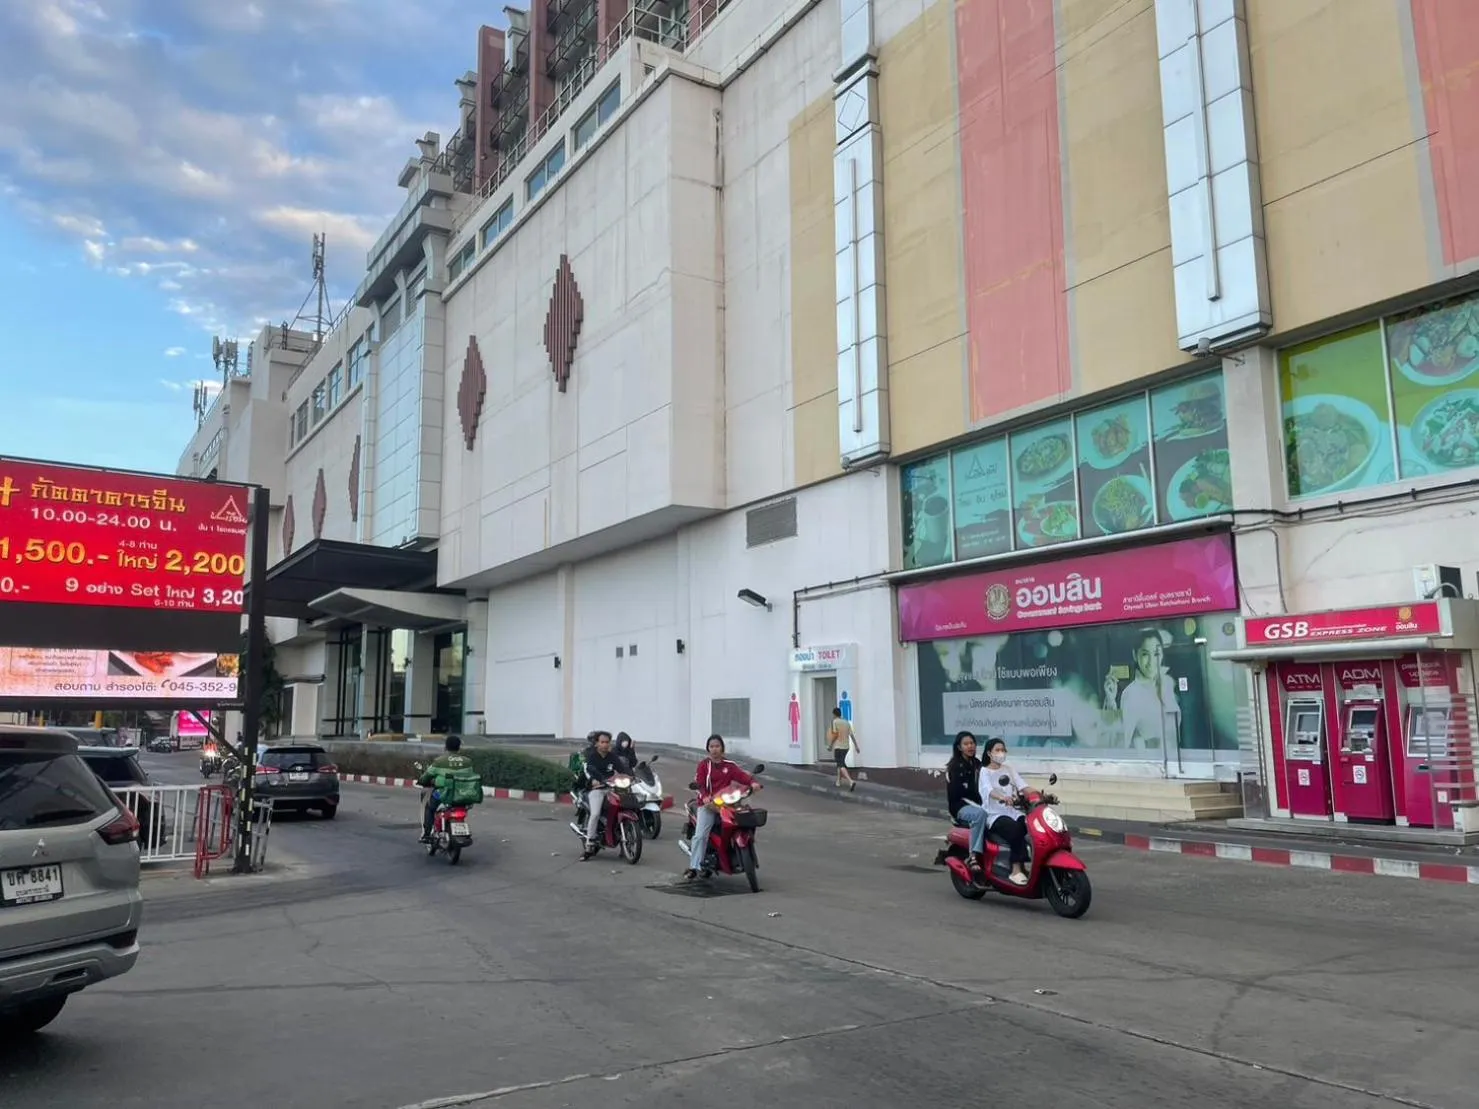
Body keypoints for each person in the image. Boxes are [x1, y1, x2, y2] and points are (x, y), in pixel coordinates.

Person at [682, 734, 760, 880]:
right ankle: (694, 866)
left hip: (727, 803)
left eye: (717, 746)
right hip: (709, 805)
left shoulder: (729, 765)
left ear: (722, 748)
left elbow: (742, 776)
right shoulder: (704, 765)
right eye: (711, 746)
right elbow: (699, 783)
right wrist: (705, 796)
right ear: (708, 749)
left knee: (743, 820)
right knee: (700, 836)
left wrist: (753, 783)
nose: (714, 749)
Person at [980, 737, 1029, 885]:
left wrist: (1039, 795)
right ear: (989, 753)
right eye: (997, 750)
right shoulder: (985, 771)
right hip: (994, 814)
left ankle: (1026, 864)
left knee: (1029, 825)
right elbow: (988, 790)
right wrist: (1002, 797)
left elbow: (1022, 784)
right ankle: (1015, 869)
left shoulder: (1008, 767)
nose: (1001, 753)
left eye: (1003, 750)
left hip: (1012, 811)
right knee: (1015, 830)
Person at [944, 730, 988, 882]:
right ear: (959, 747)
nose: (970, 746)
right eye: (966, 744)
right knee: (980, 815)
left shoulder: (978, 765)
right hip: (961, 807)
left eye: (972, 743)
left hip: (979, 804)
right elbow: (959, 793)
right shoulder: (954, 767)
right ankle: (973, 855)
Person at [416, 735, 474, 843]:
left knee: (429, 807)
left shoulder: (439, 761)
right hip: (463, 795)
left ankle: (427, 834)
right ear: (459, 747)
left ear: (445, 747)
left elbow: (427, 775)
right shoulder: (467, 761)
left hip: (443, 793)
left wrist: (422, 781)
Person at [579, 732, 621, 860]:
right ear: (597, 743)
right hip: (597, 789)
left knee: (625, 807)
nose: (605, 744)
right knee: (595, 814)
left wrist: (632, 777)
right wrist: (593, 780)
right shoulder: (592, 757)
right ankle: (589, 844)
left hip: (611, 788)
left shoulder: (613, 756)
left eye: (607, 742)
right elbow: (588, 770)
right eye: (602, 742)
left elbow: (623, 769)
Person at [827, 707, 859, 791]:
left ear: (834, 714)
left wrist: (830, 745)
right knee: (840, 763)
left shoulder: (835, 722)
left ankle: (850, 781)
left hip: (838, 746)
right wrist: (856, 746)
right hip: (846, 747)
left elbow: (835, 735)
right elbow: (851, 735)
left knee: (840, 764)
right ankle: (838, 781)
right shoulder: (846, 722)